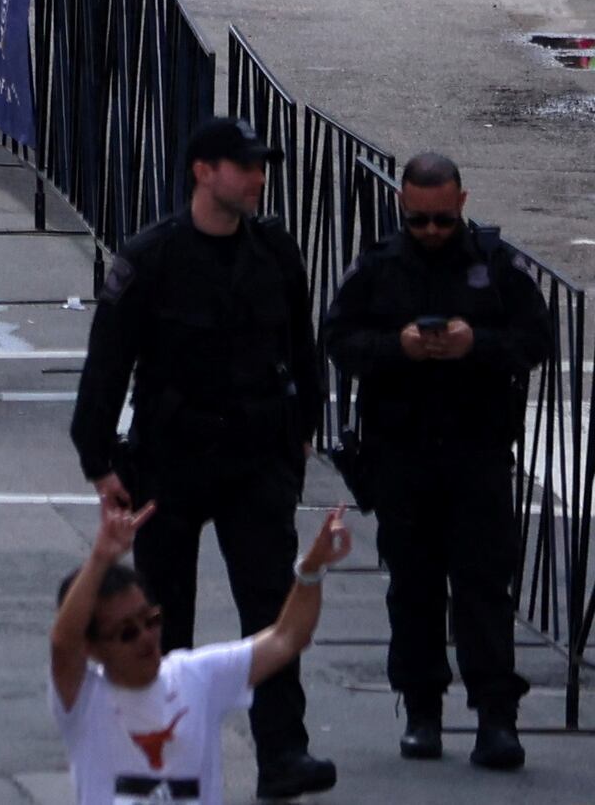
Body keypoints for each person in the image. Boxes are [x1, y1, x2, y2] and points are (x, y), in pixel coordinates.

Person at [73, 114, 334, 797]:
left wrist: (304, 427)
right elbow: (107, 366)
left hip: (256, 459)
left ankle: (283, 752)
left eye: (259, 165)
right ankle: (169, 757)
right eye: (243, 165)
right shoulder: (152, 257)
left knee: (271, 607)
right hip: (172, 460)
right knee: (163, 617)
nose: (257, 177)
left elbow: (301, 347)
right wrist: (97, 460)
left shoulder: (274, 250)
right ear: (203, 171)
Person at [321, 152, 547, 765]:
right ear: (403, 207)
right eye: (419, 221)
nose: (431, 233)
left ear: (462, 204)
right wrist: (397, 348)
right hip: (402, 451)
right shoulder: (379, 267)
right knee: (414, 589)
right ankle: (422, 711)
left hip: (477, 451)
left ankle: (496, 717)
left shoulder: (494, 266)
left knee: (483, 590)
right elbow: (338, 339)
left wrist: (477, 345)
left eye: (442, 221)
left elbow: (537, 337)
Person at [56, 488, 355, 805]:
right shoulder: (84, 698)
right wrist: (101, 558)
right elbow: (63, 643)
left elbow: (287, 637)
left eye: (152, 620)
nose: (146, 636)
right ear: (92, 648)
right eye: (127, 633)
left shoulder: (196, 675)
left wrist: (310, 571)